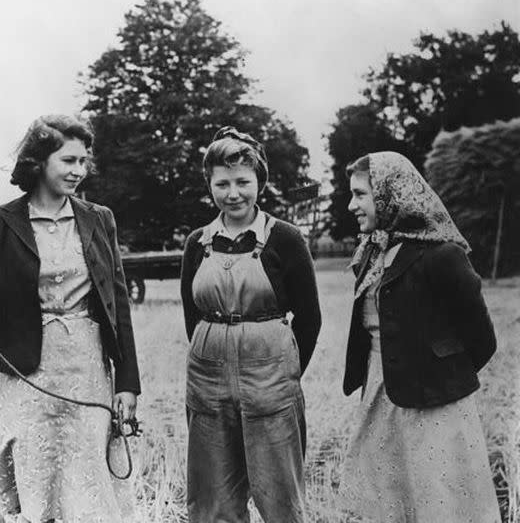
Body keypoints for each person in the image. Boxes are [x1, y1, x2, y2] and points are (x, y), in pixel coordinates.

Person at [0, 114, 140, 523]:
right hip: (27, 373)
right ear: (39, 161)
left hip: (87, 368)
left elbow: (117, 306)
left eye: (84, 161)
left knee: (87, 482)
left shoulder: (98, 218)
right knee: (35, 483)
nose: (79, 171)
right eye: (68, 160)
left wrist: (127, 383)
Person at [341, 151, 501, 522]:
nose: (352, 205)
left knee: (438, 503)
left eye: (360, 194)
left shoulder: (441, 255)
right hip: (381, 395)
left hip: (435, 405)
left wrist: (437, 376)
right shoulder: (370, 254)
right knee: (390, 503)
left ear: (390, 194)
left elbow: (482, 338)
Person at [180, 126, 321, 523]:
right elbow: (192, 315)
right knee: (212, 501)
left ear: (260, 181)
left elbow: (310, 319)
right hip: (207, 381)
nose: (233, 193)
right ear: (210, 185)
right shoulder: (197, 242)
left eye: (243, 181)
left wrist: (284, 373)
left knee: (280, 499)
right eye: (222, 183)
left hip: (271, 380)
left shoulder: (286, 239)